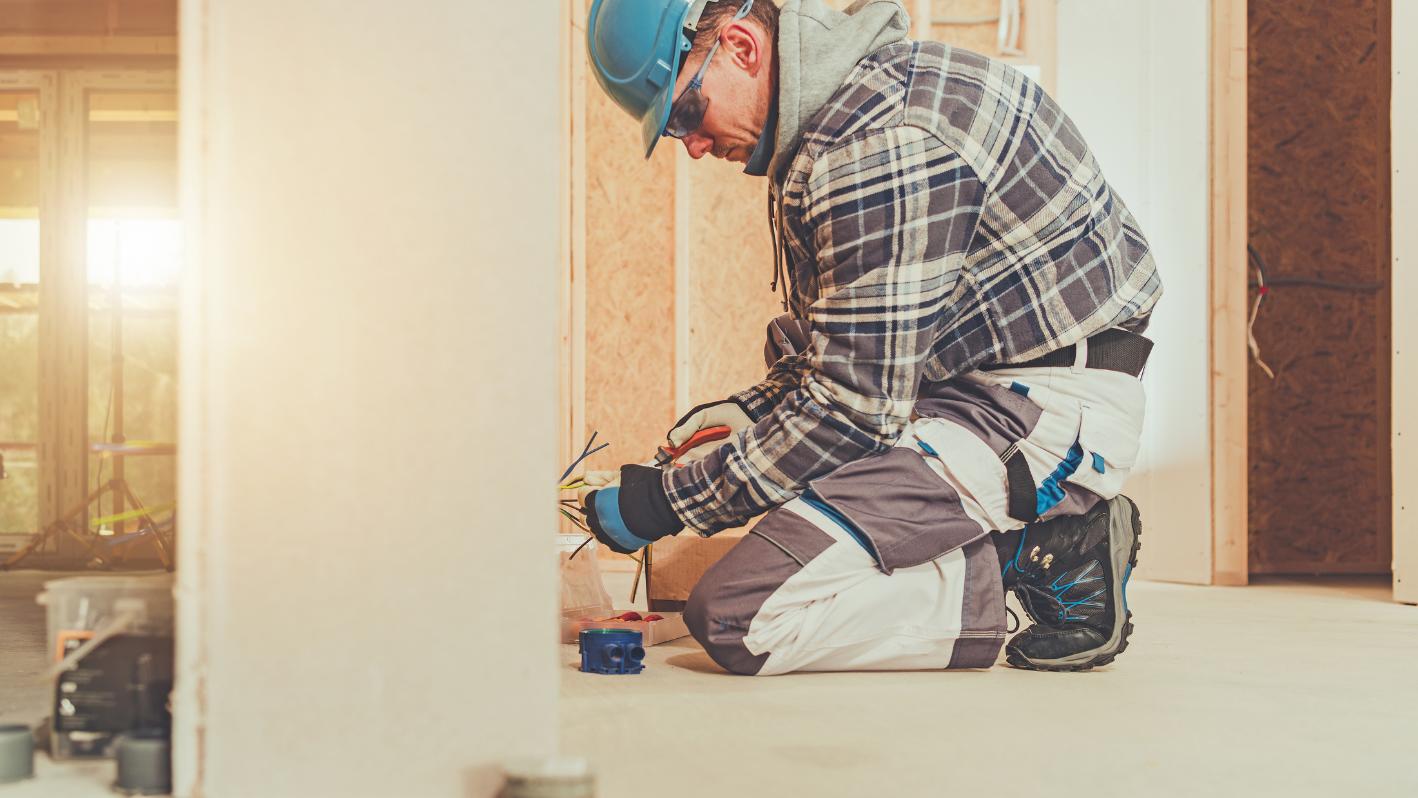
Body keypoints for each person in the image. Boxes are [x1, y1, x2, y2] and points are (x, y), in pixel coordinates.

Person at [577, 0, 1161, 675]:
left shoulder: (878, 144)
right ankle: (984, 539)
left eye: (685, 115)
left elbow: (851, 408)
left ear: (742, 48)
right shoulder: (844, 114)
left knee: (739, 616)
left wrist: (666, 504)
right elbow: (853, 346)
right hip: (970, 381)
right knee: (785, 352)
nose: (697, 145)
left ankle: (1041, 550)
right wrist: (752, 410)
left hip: (1034, 410)